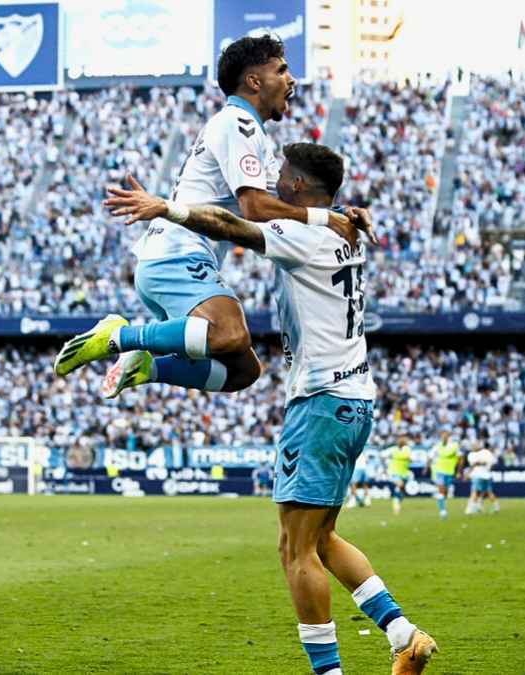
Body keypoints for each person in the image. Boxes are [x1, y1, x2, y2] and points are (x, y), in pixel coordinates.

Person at [105, 142, 436, 674]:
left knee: (294, 549)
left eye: (282, 174)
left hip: (322, 403)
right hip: (354, 399)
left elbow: (235, 226)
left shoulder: (304, 235)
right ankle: (403, 635)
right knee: (321, 539)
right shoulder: (343, 230)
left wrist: (167, 207)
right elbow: (271, 214)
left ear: (299, 186)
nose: (273, 180)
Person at [54, 34, 373, 398]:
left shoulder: (250, 133)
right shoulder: (237, 125)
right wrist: (325, 219)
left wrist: (338, 212)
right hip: (178, 255)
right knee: (230, 333)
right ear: (255, 81)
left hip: (173, 259)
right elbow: (256, 208)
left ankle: (148, 366)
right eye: (281, 70)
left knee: (243, 371)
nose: (291, 80)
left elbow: (288, 200)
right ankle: (117, 336)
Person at [428, 430, 463, 520]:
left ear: (448, 437)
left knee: (445, 492)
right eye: (442, 436)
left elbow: (461, 459)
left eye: (445, 436)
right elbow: (430, 456)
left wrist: (459, 471)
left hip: (450, 472)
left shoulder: (454, 446)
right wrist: (427, 466)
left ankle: (443, 505)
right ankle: (442, 511)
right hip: (439, 471)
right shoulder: (437, 446)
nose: (444, 438)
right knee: (441, 490)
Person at [382, 437, 414, 515]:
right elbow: (382, 455)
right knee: (400, 484)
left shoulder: (407, 449)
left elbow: (412, 459)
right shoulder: (393, 449)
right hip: (394, 472)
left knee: (402, 489)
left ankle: (398, 500)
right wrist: (385, 465)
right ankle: (396, 502)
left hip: (404, 472)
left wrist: (409, 459)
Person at [464, 442, 499, 515]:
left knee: (476, 491)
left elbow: (490, 463)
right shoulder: (474, 454)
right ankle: (492, 506)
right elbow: (476, 464)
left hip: (480, 475)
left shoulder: (484, 452)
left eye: (475, 445)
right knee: (486, 492)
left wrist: (469, 472)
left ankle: (470, 508)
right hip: (485, 475)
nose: (474, 446)